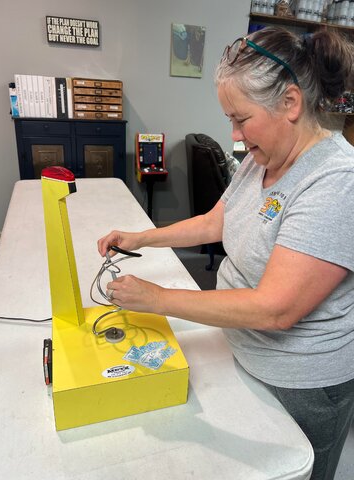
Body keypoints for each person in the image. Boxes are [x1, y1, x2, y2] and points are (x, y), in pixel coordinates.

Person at [98, 27, 354, 480]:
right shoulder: (262, 158)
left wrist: (156, 298)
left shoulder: (337, 181)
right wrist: (142, 237)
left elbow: (275, 309)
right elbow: (217, 221)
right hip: (239, 349)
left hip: (298, 382)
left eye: (241, 118)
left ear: (290, 104)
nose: (233, 134)